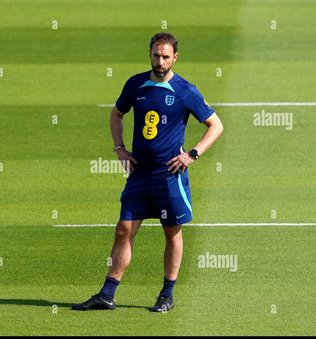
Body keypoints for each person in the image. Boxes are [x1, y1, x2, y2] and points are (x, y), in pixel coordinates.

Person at [72, 32, 223, 312]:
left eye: (166, 56)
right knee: (123, 231)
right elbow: (116, 114)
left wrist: (192, 155)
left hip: (169, 177)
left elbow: (216, 125)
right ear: (150, 54)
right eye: (156, 55)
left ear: (175, 58)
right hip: (139, 175)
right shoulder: (136, 84)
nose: (160, 61)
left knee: (171, 233)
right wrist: (119, 148)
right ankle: (107, 294)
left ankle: (167, 294)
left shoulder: (186, 91)